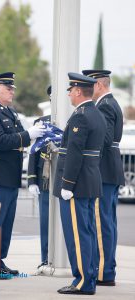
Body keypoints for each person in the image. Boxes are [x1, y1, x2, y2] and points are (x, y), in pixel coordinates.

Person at [0, 72, 45, 279]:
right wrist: (28, 135)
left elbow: (17, 138)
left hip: (11, 174)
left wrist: (33, 136)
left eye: (12, 88)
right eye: (8, 88)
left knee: (6, 222)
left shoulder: (10, 112)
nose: (12, 91)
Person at [53, 73, 106, 295]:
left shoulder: (80, 116)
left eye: (70, 91)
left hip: (76, 185)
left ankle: (83, 281)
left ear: (77, 92)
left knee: (78, 234)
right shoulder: (96, 113)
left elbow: (75, 154)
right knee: (87, 232)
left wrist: (67, 184)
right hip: (89, 180)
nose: (68, 95)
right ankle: (89, 277)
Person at [82, 69, 125, 286]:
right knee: (107, 222)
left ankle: (104, 272)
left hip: (104, 170)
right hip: (110, 169)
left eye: (90, 85)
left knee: (101, 223)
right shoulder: (110, 103)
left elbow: (105, 139)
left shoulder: (105, 106)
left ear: (98, 85)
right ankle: (107, 269)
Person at [28, 85, 51, 271]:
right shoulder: (42, 122)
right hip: (45, 180)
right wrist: (31, 180)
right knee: (45, 222)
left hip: (68, 181)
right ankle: (46, 258)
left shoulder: (75, 119)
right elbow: (33, 153)